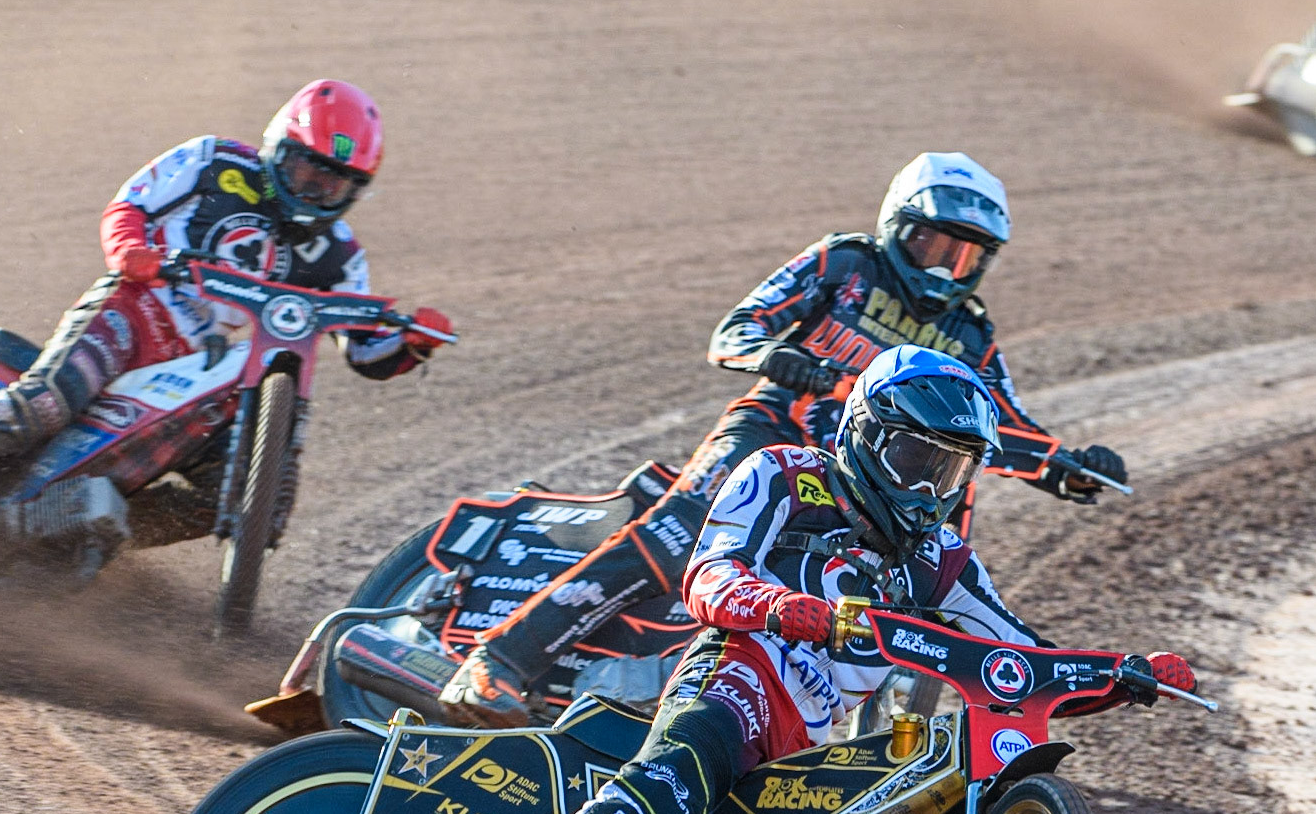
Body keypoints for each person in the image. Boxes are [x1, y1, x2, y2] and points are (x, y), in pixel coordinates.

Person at [411, 345, 1195, 814]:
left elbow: (1021, 663)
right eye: (916, 460)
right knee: (669, 787)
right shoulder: (786, 475)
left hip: (810, 757)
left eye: (951, 471)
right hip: (737, 676)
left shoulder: (943, 559)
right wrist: (789, 609)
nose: (929, 490)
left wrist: (1120, 676)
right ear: (865, 434)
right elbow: (708, 576)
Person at [438, 152, 1123, 727]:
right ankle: (498, 660)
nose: (946, 268)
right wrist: (774, 356)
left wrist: (1065, 464)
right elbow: (736, 329)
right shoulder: (842, 263)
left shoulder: (971, 332)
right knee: (678, 534)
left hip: (871, 481)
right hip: (774, 429)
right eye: (933, 246)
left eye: (966, 255)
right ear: (897, 227)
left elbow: (1001, 421)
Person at [0, 79, 453, 531]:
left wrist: (412, 343)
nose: (314, 190)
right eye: (305, 171)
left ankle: (78, 531)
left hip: (202, 371)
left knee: (249, 499)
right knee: (43, 405)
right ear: (276, 148)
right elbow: (130, 205)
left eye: (333, 183)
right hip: (135, 313)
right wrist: (130, 251)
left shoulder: (341, 256)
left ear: (355, 190)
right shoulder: (212, 161)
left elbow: (367, 352)